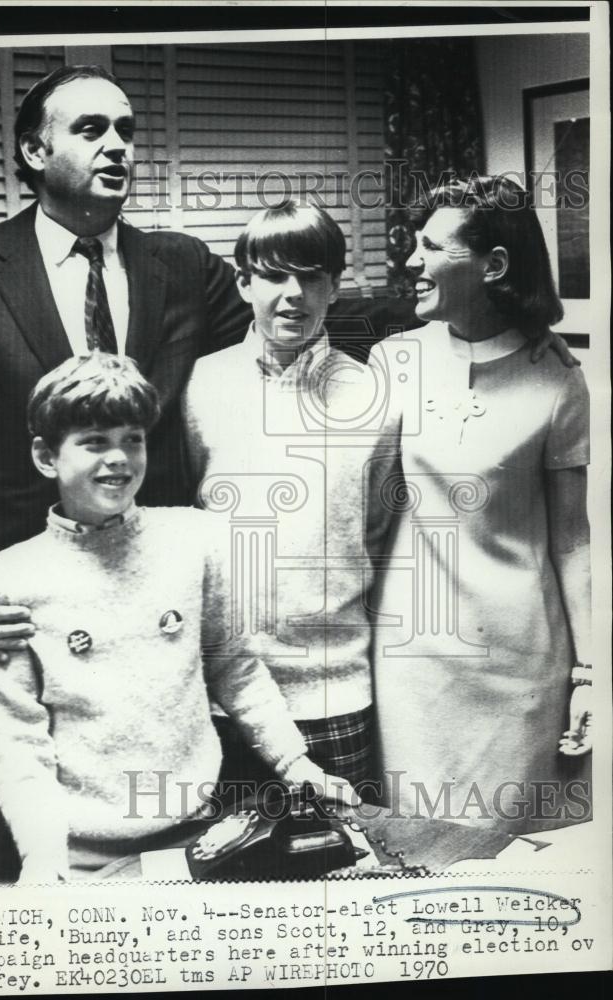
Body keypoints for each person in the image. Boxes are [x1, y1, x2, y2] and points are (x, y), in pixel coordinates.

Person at [0, 64, 250, 880]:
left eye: (126, 129)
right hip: (7, 618)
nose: (118, 145)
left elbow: (288, 327)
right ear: (32, 148)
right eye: (90, 129)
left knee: (163, 857)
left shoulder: (184, 267)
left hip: (146, 625)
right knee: (18, 854)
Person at [0, 352, 349, 881]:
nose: (119, 458)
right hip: (80, 855)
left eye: (133, 438)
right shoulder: (11, 578)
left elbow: (235, 670)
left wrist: (296, 763)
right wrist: (41, 853)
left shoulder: (194, 540)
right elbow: (17, 738)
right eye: (94, 441)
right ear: (45, 456)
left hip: (203, 833)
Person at [370, 175, 592, 832]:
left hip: (518, 666)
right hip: (411, 664)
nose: (411, 259)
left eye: (432, 246)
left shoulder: (557, 379)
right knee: (415, 847)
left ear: (493, 265)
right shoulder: (390, 362)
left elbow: (574, 540)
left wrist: (588, 674)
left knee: (510, 861)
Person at [182, 202, 399, 792]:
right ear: (244, 281)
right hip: (224, 697)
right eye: (275, 275)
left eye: (312, 276)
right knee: (224, 876)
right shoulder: (200, 384)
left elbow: (376, 533)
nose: (293, 294)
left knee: (345, 870)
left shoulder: (374, 398)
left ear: (335, 283)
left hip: (334, 694)